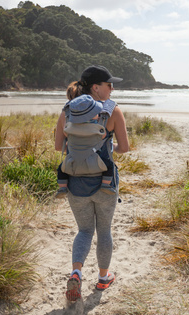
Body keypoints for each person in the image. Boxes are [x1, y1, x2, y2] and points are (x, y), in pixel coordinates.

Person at [54, 65, 129, 301]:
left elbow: (59, 146)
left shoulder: (68, 110)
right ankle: (103, 278)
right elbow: (125, 148)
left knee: (84, 230)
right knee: (104, 230)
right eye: (109, 84)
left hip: (75, 181)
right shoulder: (113, 110)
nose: (112, 88)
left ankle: (76, 273)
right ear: (96, 87)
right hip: (105, 181)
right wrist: (108, 147)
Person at [55, 83, 117, 198]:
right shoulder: (100, 121)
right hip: (97, 168)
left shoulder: (66, 119)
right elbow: (122, 147)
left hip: (74, 173)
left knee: (61, 168)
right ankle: (106, 185)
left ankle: (62, 187)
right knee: (110, 165)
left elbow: (59, 147)